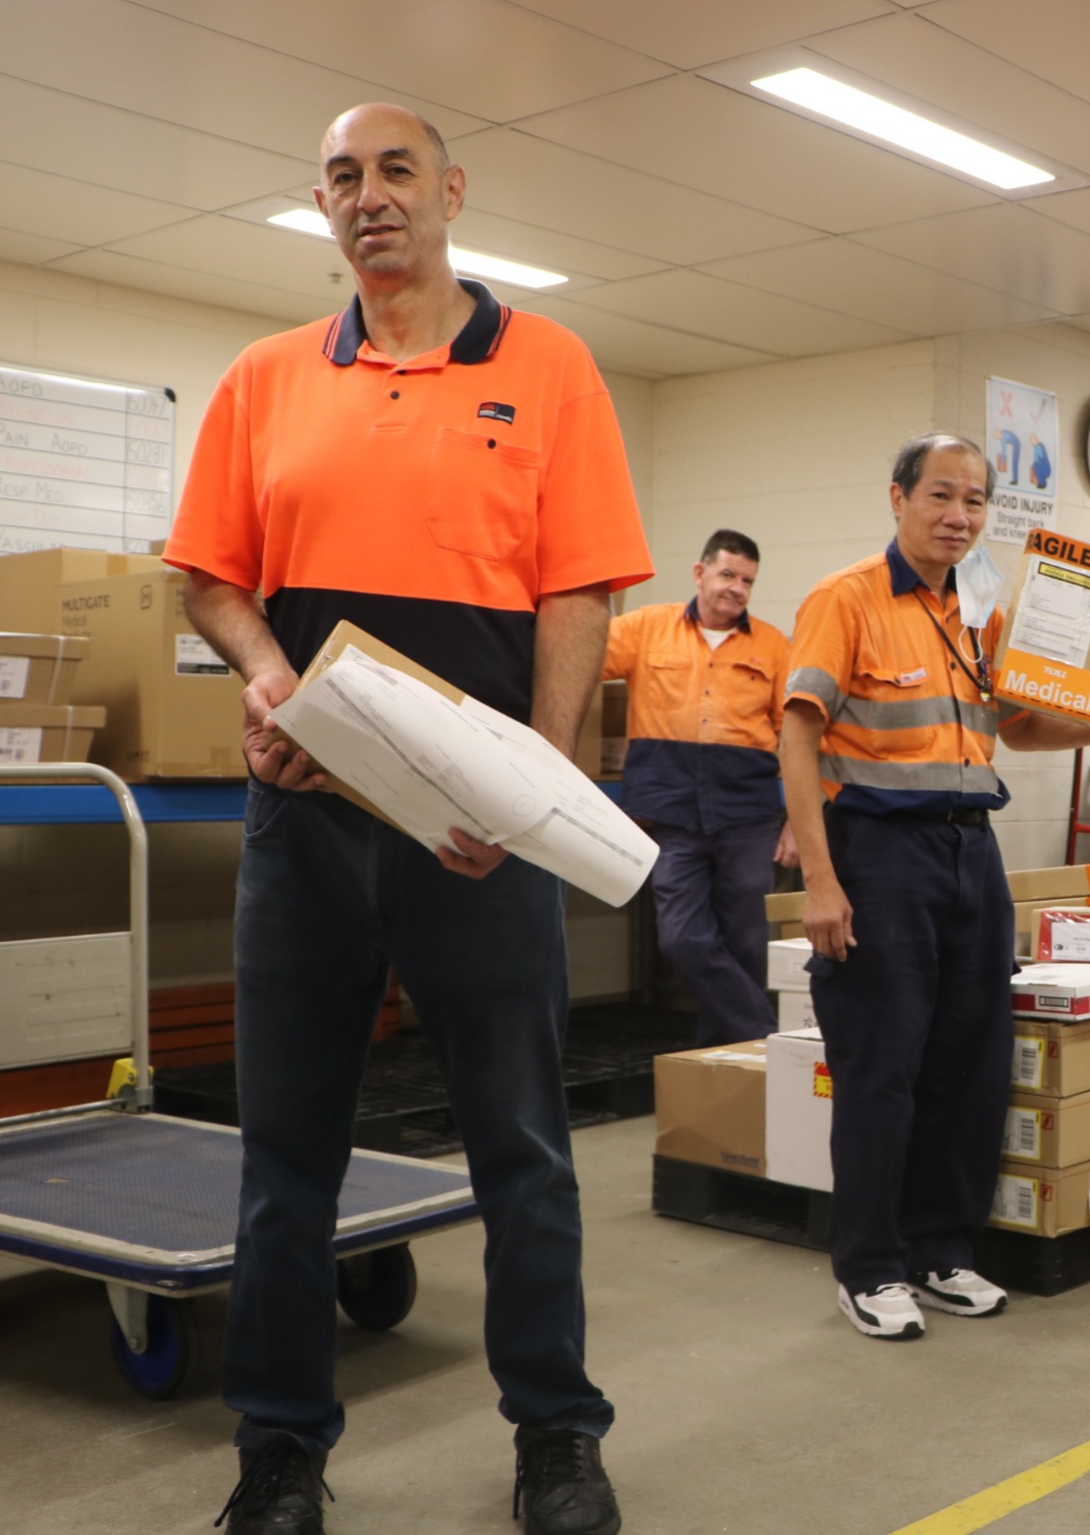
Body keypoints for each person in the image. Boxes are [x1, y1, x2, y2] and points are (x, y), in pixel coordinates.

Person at [168, 103, 646, 1535]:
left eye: (394, 172)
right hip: (304, 829)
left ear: (449, 191)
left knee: (522, 1147)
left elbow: (581, 593)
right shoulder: (263, 380)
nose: (369, 198)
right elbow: (208, 576)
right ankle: (279, 1453)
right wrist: (266, 681)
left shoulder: (549, 365)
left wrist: (537, 784)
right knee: (286, 1156)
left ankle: (557, 1437)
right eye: (340, 177)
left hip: (475, 839)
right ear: (320, 207)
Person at [780, 434, 1090, 1341]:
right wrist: (822, 881)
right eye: (941, 497)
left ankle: (940, 1250)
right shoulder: (844, 601)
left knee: (970, 1060)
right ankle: (868, 1267)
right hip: (877, 851)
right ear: (898, 498)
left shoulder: (980, 609)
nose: (959, 517)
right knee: (882, 1070)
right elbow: (796, 740)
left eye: (975, 503)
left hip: (969, 851)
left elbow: (1016, 728)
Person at [605, 528, 793, 1046]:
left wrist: (797, 822)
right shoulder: (647, 628)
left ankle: (728, 1066)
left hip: (748, 817)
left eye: (748, 580)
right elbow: (582, 658)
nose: (737, 588)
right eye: (728, 574)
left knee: (747, 945)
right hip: (671, 816)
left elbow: (799, 741)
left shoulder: (774, 646)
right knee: (682, 938)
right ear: (700, 572)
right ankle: (764, 1038)